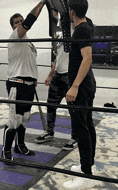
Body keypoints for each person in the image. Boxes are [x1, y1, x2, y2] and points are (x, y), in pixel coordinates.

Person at [1, 0, 47, 163]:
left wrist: (34, 79)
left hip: (29, 85)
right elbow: (30, 20)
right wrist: (42, 3)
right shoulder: (15, 37)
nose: (20, 24)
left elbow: (30, 63)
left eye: (21, 22)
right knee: (15, 120)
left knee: (25, 118)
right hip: (16, 84)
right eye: (17, 22)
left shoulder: (29, 43)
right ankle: (5, 150)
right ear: (13, 27)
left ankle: (19, 145)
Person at [62, 0, 97, 189]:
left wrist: (74, 86)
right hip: (88, 84)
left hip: (81, 86)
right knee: (88, 124)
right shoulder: (87, 23)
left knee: (82, 128)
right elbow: (74, 7)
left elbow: (87, 59)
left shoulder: (82, 30)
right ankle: (88, 166)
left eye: (69, 9)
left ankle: (86, 175)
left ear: (72, 12)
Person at [35, 23, 77, 151]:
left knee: (73, 109)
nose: (59, 20)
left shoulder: (72, 30)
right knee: (51, 105)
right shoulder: (59, 35)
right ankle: (49, 132)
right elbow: (57, 58)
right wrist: (49, 75)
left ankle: (75, 137)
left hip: (69, 76)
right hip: (57, 76)